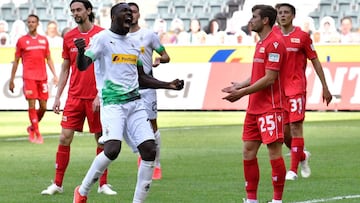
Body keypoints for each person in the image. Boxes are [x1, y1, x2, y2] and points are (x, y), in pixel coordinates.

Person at [72, 3, 184, 202]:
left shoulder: (134, 44)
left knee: (150, 150)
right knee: (112, 150)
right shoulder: (102, 39)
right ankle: (82, 191)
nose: (129, 15)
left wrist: (168, 85)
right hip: (113, 104)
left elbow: (141, 78)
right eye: (125, 12)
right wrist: (81, 52)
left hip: (135, 104)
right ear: (114, 17)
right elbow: (83, 66)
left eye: (131, 13)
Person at [40, 0, 117, 196]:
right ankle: (57, 184)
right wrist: (58, 96)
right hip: (74, 97)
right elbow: (66, 68)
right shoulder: (69, 37)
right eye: (73, 10)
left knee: (101, 139)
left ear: (88, 10)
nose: (75, 13)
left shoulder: (102, 35)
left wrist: (102, 93)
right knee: (64, 138)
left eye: (79, 9)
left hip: (96, 97)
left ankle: (103, 184)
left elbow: (109, 67)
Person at [222, 5, 287, 203]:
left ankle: (277, 200)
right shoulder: (261, 43)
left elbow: (269, 78)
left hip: (271, 107)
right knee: (248, 151)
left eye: (254, 17)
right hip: (254, 108)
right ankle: (252, 200)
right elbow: (259, 73)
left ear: (265, 20)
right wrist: (240, 85)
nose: (251, 20)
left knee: (274, 152)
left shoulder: (275, 43)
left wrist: (241, 93)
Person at [275, 3, 332, 181]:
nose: (282, 15)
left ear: (293, 16)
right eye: (279, 13)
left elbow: (315, 61)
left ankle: (292, 171)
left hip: (296, 88)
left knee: (296, 127)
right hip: (278, 91)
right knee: (284, 135)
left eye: (286, 13)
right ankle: (302, 156)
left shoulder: (302, 37)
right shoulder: (273, 36)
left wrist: (325, 86)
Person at [128, 2, 170, 180]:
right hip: (128, 89)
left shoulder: (149, 35)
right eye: (127, 12)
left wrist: (160, 59)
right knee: (129, 126)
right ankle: (142, 153)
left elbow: (166, 56)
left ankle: (156, 163)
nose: (131, 15)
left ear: (139, 14)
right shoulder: (118, 37)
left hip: (147, 88)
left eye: (134, 11)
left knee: (152, 125)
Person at [9, 14, 58, 144]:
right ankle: (36, 133)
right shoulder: (21, 41)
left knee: (43, 107)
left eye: (33, 22)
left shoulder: (43, 40)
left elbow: (49, 58)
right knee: (31, 104)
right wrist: (12, 79)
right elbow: (16, 61)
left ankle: (31, 127)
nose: (31, 24)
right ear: (27, 24)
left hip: (42, 78)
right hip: (29, 77)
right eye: (29, 22)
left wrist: (55, 74)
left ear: (37, 24)